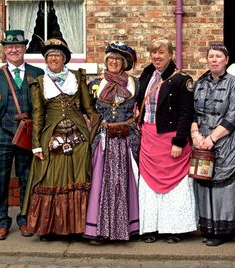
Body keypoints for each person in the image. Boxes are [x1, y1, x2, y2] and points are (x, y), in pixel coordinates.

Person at [21, 38, 99, 240]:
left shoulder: (77, 78)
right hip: (51, 137)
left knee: (79, 178)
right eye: (50, 56)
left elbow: (89, 109)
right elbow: (38, 115)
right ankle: (50, 228)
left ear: (64, 59)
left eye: (57, 55)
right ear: (45, 60)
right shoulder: (39, 82)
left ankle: (78, 227)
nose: (53, 58)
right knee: (50, 178)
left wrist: (96, 134)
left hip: (79, 138)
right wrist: (36, 145)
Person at [0, 30, 44, 240]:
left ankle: (25, 219)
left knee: (27, 179)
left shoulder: (37, 73)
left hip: (27, 133)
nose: (14, 50)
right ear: (5, 50)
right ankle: (1, 221)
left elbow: (42, 106)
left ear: (25, 48)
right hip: (1, 134)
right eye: (9, 47)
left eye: (18, 46)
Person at [136, 38, 197, 243]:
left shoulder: (181, 80)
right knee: (148, 185)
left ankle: (173, 229)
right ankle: (150, 227)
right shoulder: (146, 76)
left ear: (170, 54)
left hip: (170, 138)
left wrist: (179, 141)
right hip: (149, 138)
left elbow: (186, 113)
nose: (157, 57)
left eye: (161, 53)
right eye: (154, 53)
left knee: (175, 186)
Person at [83, 41, 140, 243]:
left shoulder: (135, 84)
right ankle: (100, 230)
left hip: (126, 140)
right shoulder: (94, 85)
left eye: (118, 59)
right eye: (110, 59)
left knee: (124, 182)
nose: (114, 62)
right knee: (101, 183)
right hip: (104, 140)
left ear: (124, 63)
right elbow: (87, 111)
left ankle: (125, 228)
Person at [192, 43, 235, 246]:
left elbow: (234, 115)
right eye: (211, 56)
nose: (214, 60)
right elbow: (193, 112)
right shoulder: (199, 83)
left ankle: (225, 231)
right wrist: (196, 134)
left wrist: (213, 138)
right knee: (204, 181)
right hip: (202, 140)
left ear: (226, 60)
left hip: (226, 140)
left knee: (223, 184)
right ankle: (209, 228)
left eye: (218, 56)